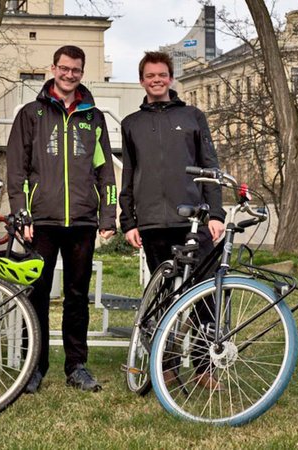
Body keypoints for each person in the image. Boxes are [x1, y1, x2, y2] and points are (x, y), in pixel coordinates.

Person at [7, 45, 117, 393]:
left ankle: (77, 367)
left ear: (82, 73)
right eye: (64, 68)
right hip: (40, 221)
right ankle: (34, 367)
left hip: (82, 222)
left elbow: (105, 172)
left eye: (76, 70)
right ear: (52, 68)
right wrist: (20, 211)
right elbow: (16, 170)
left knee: (77, 296)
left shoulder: (93, 117)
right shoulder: (30, 114)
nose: (69, 75)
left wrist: (108, 214)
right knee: (36, 294)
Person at [119, 51, 225, 388]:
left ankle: (204, 367)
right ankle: (164, 366)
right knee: (164, 297)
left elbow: (211, 167)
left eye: (162, 74)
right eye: (150, 75)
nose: (156, 80)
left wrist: (216, 213)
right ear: (142, 80)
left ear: (170, 78)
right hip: (152, 223)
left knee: (205, 296)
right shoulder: (131, 124)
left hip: (194, 221)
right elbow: (129, 174)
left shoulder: (193, 116)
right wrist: (129, 221)